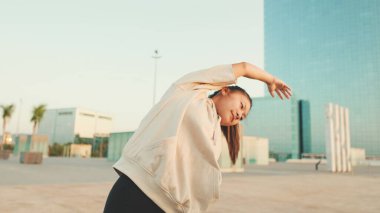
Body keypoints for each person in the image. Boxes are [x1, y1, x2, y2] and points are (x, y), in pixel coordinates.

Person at [103, 62, 292, 213]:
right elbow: (242, 67)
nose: (239, 116)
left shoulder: (215, 137)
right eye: (241, 106)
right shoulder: (190, 91)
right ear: (225, 90)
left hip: (170, 207)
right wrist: (271, 79)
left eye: (242, 118)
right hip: (137, 188)